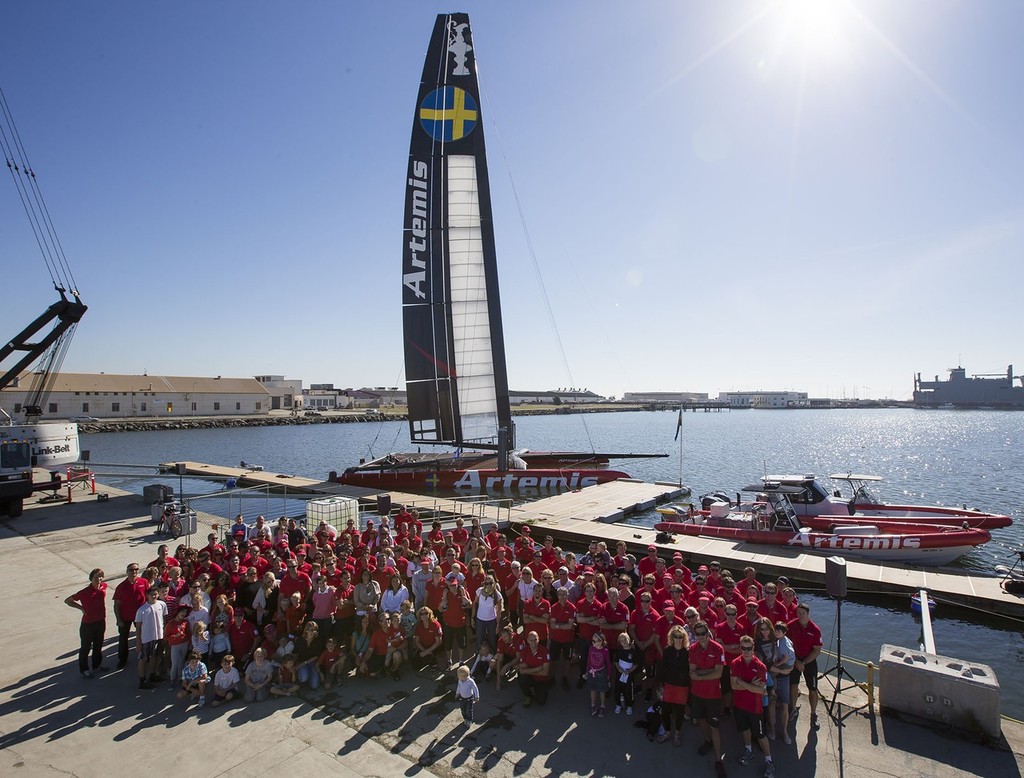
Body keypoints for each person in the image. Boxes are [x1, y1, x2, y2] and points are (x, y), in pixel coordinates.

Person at [731, 636, 775, 777]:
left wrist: (742, 683)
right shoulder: (735, 663)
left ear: (753, 648)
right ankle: (748, 750)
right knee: (745, 729)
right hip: (739, 705)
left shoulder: (760, 666)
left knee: (761, 735)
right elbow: (733, 685)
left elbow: (760, 690)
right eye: (743, 648)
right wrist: (751, 685)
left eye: (749, 648)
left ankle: (769, 760)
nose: (746, 651)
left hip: (755, 708)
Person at [689, 620, 727, 777]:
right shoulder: (692, 649)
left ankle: (718, 760)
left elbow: (718, 673)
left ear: (708, 633)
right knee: (700, 720)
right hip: (697, 694)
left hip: (713, 695)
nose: (701, 637)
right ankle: (708, 741)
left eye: (703, 634)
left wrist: (701, 674)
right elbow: (692, 673)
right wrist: (707, 672)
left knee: (715, 727)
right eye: (697, 634)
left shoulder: (718, 649)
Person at [65, 568, 108, 678]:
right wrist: (81, 608)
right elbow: (68, 600)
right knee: (85, 648)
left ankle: (97, 665)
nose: (98, 579)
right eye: (95, 577)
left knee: (98, 645)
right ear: (91, 579)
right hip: (88, 624)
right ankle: (84, 669)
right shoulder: (84, 592)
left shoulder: (104, 587)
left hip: (100, 621)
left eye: (100, 577)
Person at [787, 602, 823, 732]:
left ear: (808, 613)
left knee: (813, 689)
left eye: (803, 613)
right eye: (798, 612)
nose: (800, 615)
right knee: (793, 685)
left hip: (809, 662)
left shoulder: (815, 629)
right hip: (795, 660)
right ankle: (793, 708)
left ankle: (813, 714)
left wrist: (804, 663)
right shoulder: (791, 626)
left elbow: (817, 650)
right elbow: (787, 645)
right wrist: (796, 661)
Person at [113, 562, 148, 670]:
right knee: (123, 638)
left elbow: (149, 597)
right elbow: (116, 605)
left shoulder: (144, 582)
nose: (134, 572)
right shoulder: (121, 587)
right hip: (125, 616)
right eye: (131, 570)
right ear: (127, 572)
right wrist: (119, 620)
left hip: (140, 616)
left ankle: (144, 655)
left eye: (136, 569)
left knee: (143, 636)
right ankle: (122, 659)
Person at [660, 625, 691, 745]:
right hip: (669, 684)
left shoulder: (687, 652)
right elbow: (663, 668)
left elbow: (688, 670)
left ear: (684, 638)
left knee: (679, 710)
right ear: (672, 637)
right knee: (665, 709)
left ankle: (677, 733)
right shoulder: (667, 650)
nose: (678, 639)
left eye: (680, 637)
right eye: (675, 636)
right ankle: (667, 732)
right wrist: (662, 684)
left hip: (682, 686)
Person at [133, 586, 167, 690]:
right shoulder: (142, 610)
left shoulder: (162, 604)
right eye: (151, 594)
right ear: (147, 595)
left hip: (159, 636)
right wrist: (138, 642)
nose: (154, 596)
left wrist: (164, 633)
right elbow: (138, 628)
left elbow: (164, 620)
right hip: (146, 638)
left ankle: (152, 675)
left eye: (155, 594)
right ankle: (142, 680)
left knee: (154, 657)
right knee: (143, 659)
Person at [517, 630, 551, 707]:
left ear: (538, 639)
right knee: (521, 679)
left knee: (541, 702)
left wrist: (528, 671)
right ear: (528, 641)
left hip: (541, 680)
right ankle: (529, 696)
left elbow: (545, 672)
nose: (533, 642)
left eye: (535, 639)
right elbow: (522, 671)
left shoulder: (545, 651)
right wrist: (536, 669)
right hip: (530, 677)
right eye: (531, 640)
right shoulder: (524, 651)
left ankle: (538, 690)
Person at [586, 632, 612, 717]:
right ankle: (593, 705)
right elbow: (588, 660)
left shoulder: (605, 651)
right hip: (592, 671)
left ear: (600, 642)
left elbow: (608, 663)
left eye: (594, 641)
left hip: (602, 672)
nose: (592, 643)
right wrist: (587, 671)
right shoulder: (591, 648)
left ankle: (602, 705)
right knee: (592, 689)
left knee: (602, 690)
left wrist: (609, 674)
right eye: (592, 641)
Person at [413, 606, 444, 671]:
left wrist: (427, 651)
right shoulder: (418, 625)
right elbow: (417, 641)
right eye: (422, 614)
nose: (424, 615)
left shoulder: (436, 625)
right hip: (423, 646)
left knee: (432, 656)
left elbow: (438, 641)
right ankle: (427, 659)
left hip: (434, 647)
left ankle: (434, 660)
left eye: (426, 613)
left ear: (429, 614)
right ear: (419, 616)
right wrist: (424, 651)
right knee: (416, 666)